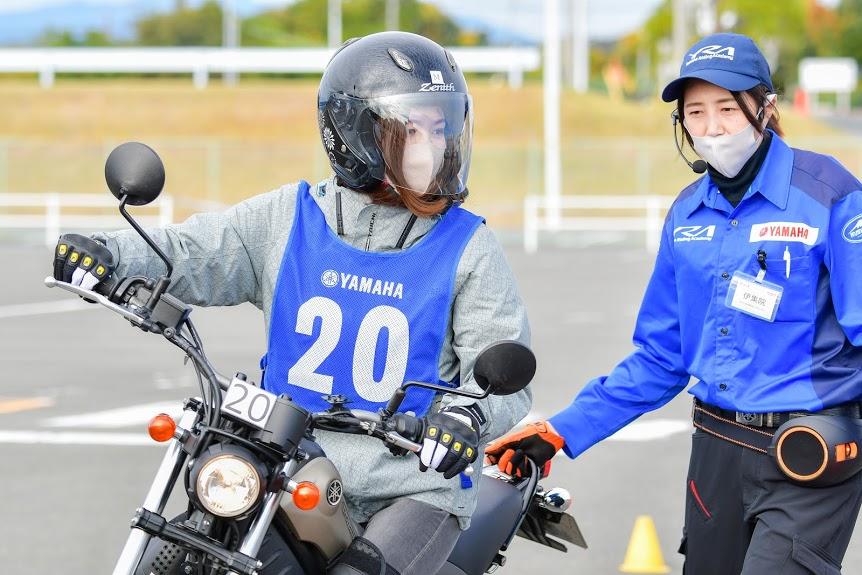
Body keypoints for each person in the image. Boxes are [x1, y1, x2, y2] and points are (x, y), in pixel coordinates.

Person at [52, 31, 531, 575]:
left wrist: (465, 418)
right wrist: (106, 253)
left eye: (442, 128)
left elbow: (500, 367)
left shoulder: (468, 246)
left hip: (410, 486)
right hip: (286, 458)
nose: (436, 146)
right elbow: (190, 252)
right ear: (356, 135)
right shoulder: (289, 218)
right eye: (414, 129)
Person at [486, 32, 862, 574]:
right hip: (715, 453)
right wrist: (560, 431)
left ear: (765, 107)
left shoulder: (830, 195)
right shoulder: (686, 216)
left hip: (807, 452)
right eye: (696, 112)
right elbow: (661, 358)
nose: (712, 128)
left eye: (728, 109)